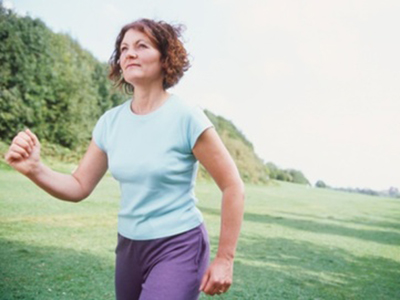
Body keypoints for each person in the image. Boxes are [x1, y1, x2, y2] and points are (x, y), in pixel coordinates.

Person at [4, 18, 245, 300]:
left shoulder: (187, 117)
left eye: (141, 46)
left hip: (179, 245)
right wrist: (35, 169)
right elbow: (79, 185)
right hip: (129, 248)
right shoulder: (110, 122)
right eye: (124, 48)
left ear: (165, 56)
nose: (129, 53)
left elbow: (233, 186)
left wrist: (225, 259)